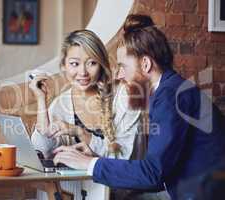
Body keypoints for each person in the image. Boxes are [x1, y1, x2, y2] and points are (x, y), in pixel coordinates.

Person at [52, 14, 225, 200]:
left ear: (145, 64)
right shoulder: (172, 89)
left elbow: (152, 175)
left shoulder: (168, 96)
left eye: (123, 67)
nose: (118, 75)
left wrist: (89, 163)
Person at [29, 30, 146, 199]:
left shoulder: (124, 97)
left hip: (126, 193)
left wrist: (80, 133)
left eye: (91, 63)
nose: (83, 72)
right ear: (64, 66)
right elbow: (41, 152)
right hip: (85, 193)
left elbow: (124, 158)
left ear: (101, 64)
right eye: (75, 64)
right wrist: (41, 101)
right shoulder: (61, 104)